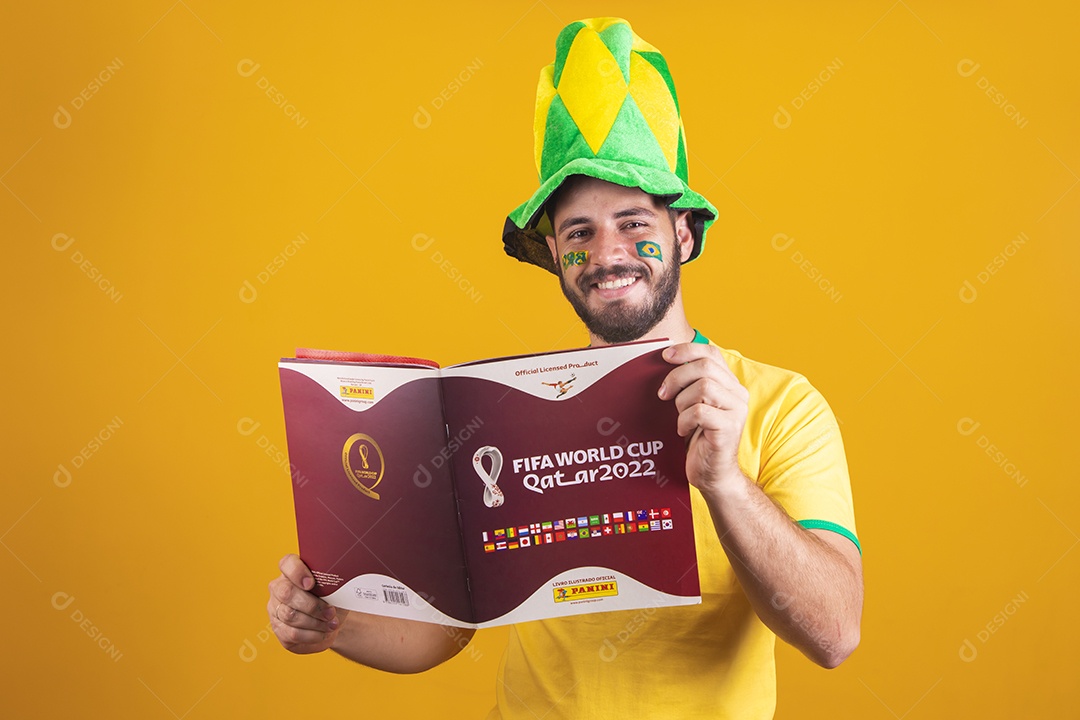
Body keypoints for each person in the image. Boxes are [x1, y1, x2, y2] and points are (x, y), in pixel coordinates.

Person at [268, 17, 862, 719]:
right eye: (579, 232)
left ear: (683, 233)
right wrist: (335, 624)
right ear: (553, 253)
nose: (607, 252)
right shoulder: (506, 416)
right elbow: (449, 626)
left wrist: (726, 483)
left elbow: (833, 633)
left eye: (634, 222)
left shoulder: (781, 406)